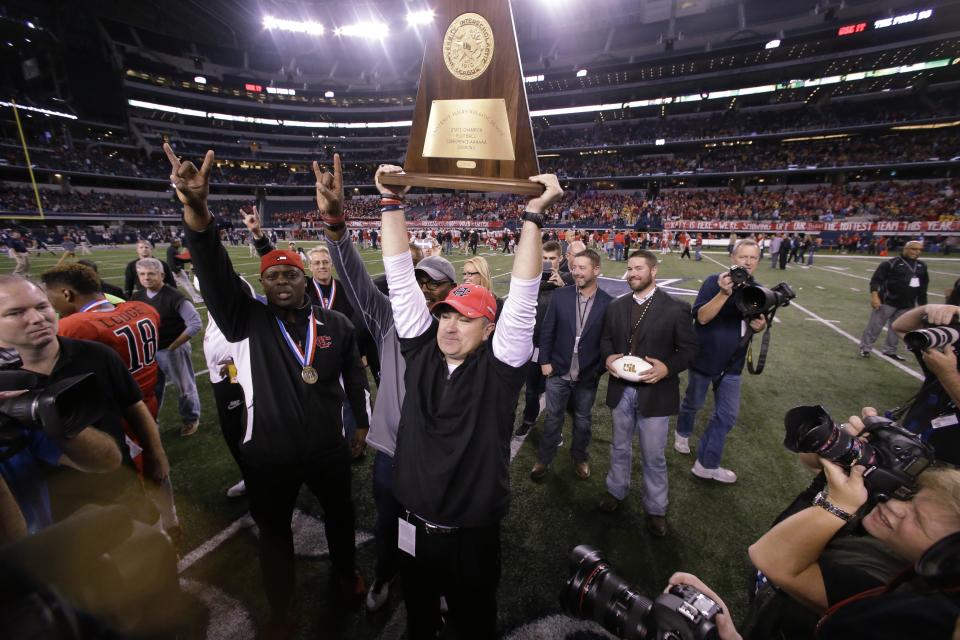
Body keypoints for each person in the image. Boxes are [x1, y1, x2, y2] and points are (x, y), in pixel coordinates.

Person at [166, 144, 368, 636]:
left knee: (341, 519)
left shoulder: (336, 323)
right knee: (274, 536)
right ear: (263, 282)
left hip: (327, 448)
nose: (281, 281)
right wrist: (198, 212)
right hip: (269, 454)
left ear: (304, 279)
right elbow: (214, 275)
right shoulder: (247, 319)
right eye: (272, 275)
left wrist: (360, 422)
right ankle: (281, 608)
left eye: (290, 274)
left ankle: (345, 575)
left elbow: (355, 376)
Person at [379, 159, 561, 639]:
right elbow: (400, 279)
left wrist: (534, 215)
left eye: (464, 318)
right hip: (412, 525)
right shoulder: (420, 352)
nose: (449, 326)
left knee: (473, 625)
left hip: (471, 538)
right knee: (418, 619)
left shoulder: (499, 373)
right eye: (443, 316)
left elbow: (522, 297)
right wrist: (391, 202)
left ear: (490, 329)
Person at [0, 275, 155, 527]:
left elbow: (130, 413)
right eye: (16, 313)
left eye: (42, 306)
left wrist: (155, 459)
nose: (37, 318)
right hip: (52, 520)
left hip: (118, 489)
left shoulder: (96, 353)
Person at [40, 264, 178, 537]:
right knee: (156, 462)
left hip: (118, 409)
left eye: (49, 297)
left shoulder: (74, 326)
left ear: (66, 294)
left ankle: (158, 531)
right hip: (148, 395)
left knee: (130, 474)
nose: (49, 305)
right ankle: (171, 518)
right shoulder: (143, 308)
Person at [748, 454, 960, 623]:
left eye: (918, 520)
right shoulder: (894, 542)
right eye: (911, 499)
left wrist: (838, 506)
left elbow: (770, 558)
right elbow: (809, 458)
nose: (893, 505)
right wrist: (843, 451)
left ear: (947, 560)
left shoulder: (887, 591)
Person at [598, 250, 698, 536]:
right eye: (629, 268)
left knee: (653, 455)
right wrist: (608, 358)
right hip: (621, 390)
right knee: (618, 446)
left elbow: (690, 350)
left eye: (639, 268)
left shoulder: (676, 308)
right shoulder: (616, 306)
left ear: (653, 271)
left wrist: (667, 368)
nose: (632, 273)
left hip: (655, 393)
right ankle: (616, 491)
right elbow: (606, 340)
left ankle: (656, 508)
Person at [675, 239, 766, 484]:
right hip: (705, 358)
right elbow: (702, 318)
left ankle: (706, 464)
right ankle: (682, 431)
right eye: (743, 257)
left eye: (753, 258)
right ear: (732, 259)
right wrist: (723, 293)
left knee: (726, 416)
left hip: (733, 364)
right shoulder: (713, 282)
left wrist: (760, 325)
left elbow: (753, 323)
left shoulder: (756, 289)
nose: (747, 262)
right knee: (693, 401)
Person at [531, 248, 612, 481]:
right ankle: (544, 459)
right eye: (574, 267)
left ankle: (580, 457)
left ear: (596, 269)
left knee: (583, 420)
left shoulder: (608, 303)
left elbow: (609, 342)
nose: (576, 272)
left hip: (587, 374)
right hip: (557, 369)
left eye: (582, 268)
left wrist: (598, 370)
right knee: (553, 417)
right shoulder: (561, 296)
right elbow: (548, 331)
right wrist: (544, 361)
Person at [132, 258, 202, 437]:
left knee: (185, 388)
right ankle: (151, 421)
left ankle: (191, 419)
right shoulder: (137, 296)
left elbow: (195, 323)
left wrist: (173, 346)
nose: (146, 277)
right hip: (149, 352)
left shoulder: (175, 296)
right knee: (152, 390)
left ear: (162, 275)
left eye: (151, 274)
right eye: (142, 274)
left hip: (172, 350)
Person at [890, 303, 960, 464]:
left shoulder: (945, 365)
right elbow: (900, 327)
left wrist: (947, 373)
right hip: (912, 444)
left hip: (949, 465)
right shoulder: (948, 355)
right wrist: (928, 308)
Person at [516, 240, 568, 436]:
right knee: (530, 390)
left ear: (560, 259)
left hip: (556, 348)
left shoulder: (567, 280)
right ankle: (528, 420)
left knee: (556, 392)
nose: (548, 262)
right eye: (544, 258)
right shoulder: (532, 282)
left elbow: (575, 310)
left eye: (552, 258)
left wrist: (562, 287)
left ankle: (556, 428)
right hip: (533, 345)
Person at [858, 240, 928, 360]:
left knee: (897, 328)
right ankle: (865, 348)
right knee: (875, 325)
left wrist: (923, 306)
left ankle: (890, 350)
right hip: (887, 301)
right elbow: (876, 280)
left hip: (907, 304)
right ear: (905, 249)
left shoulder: (922, 266)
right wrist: (875, 296)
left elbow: (923, 287)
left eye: (919, 250)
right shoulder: (890, 263)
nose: (916, 252)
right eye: (913, 249)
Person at [166, 238, 202, 303]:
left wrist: (191, 258)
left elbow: (181, 259)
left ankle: (195, 296)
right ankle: (196, 299)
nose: (180, 243)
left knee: (186, 284)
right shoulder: (171, 250)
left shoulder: (173, 249)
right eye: (178, 242)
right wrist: (176, 271)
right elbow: (170, 262)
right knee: (187, 284)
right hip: (176, 271)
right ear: (174, 243)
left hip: (177, 270)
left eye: (179, 241)